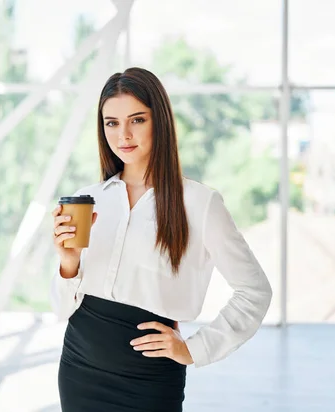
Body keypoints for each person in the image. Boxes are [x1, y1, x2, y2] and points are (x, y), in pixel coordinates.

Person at [50, 67, 272, 412]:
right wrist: (68, 263)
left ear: (160, 121)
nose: (123, 134)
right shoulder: (88, 199)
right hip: (80, 368)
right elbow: (62, 307)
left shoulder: (199, 203)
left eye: (136, 120)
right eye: (111, 123)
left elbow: (255, 291)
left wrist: (195, 349)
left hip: (149, 379)